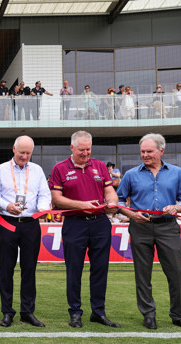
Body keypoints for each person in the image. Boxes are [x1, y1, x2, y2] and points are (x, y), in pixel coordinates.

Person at [117, 133, 181, 331]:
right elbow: (118, 201)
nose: (145, 155)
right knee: (142, 274)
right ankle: (148, 315)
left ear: (161, 151)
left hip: (168, 227)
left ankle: (178, 315)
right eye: (142, 151)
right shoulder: (131, 175)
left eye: (149, 151)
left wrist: (176, 208)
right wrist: (130, 214)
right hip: (140, 227)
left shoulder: (177, 173)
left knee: (176, 273)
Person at [49, 130, 120, 329]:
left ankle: (98, 312)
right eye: (81, 150)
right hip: (74, 224)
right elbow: (56, 199)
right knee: (74, 269)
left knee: (100, 269)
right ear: (72, 148)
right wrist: (82, 205)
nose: (86, 153)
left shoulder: (99, 166)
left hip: (100, 224)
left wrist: (112, 202)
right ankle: (75, 312)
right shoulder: (59, 168)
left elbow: (109, 191)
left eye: (88, 149)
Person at [0, 136, 51, 328]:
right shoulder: (1, 170)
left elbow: (44, 194)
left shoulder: (38, 170)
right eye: (21, 152)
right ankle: (7, 312)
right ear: (13, 149)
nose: (24, 156)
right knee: (6, 269)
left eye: (28, 153)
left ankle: (27, 312)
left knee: (29, 269)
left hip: (31, 224)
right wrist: (7, 206)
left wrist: (42, 208)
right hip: (8, 223)